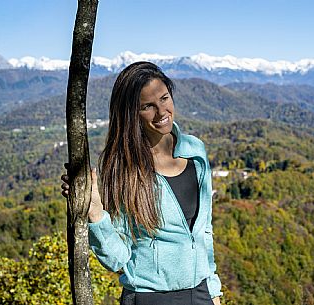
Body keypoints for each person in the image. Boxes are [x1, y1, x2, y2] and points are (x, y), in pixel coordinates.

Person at [61, 62, 222, 305]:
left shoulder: (195, 151)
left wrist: (213, 290)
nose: (161, 112)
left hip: (199, 293)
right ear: (131, 114)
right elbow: (118, 258)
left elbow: (204, 231)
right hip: (148, 296)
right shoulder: (124, 169)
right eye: (148, 106)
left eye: (165, 98)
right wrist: (95, 214)